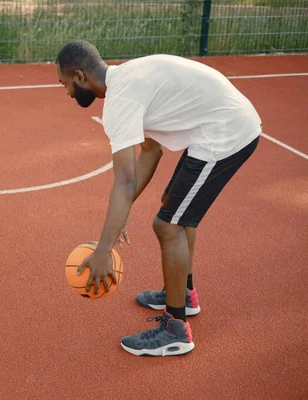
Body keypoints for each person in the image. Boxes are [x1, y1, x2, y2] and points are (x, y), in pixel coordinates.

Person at [55, 40, 261, 356]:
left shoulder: (120, 101)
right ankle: (184, 295)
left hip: (225, 132)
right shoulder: (128, 79)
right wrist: (121, 216)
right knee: (175, 212)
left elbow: (124, 180)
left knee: (169, 226)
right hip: (217, 125)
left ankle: (175, 329)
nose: (67, 93)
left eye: (65, 84)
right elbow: (151, 152)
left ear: (80, 76)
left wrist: (103, 250)